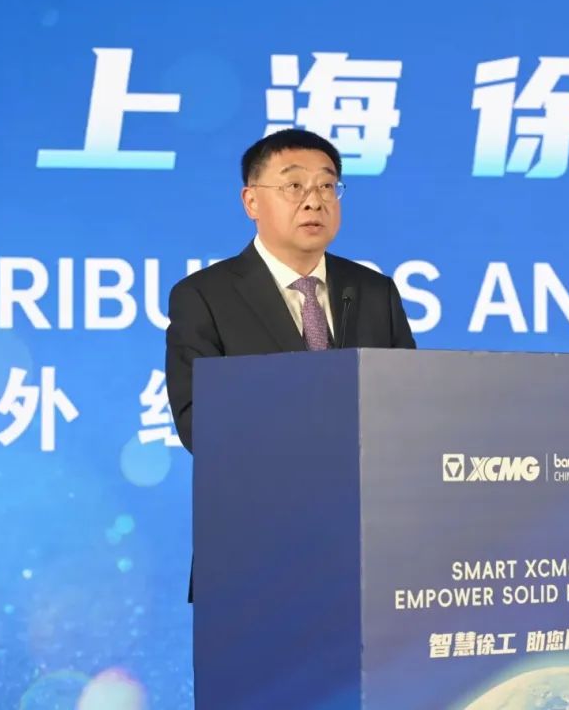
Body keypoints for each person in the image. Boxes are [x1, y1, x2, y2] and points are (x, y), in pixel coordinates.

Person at [164, 128, 417, 600]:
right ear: (251, 201)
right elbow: (200, 423)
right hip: (255, 549)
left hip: (368, 552)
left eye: (327, 185)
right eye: (294, 185)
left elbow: (410, 405)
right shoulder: (204, 296)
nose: (314, 200)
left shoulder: (373, 291)